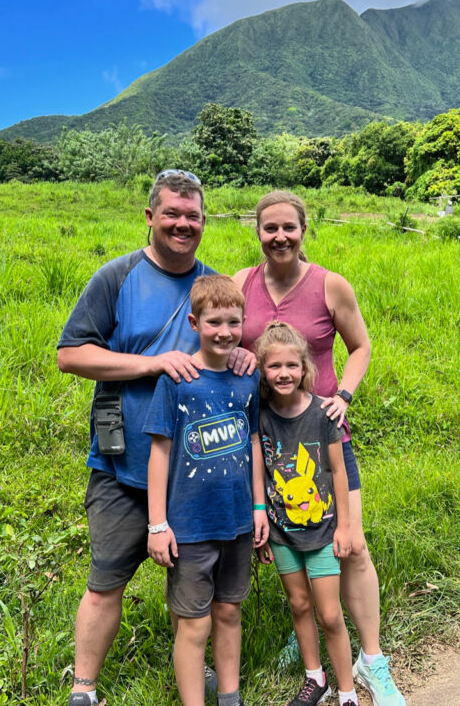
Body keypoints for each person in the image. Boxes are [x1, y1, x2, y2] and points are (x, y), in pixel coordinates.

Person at [57, 171, 252, 706]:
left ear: (204, 221)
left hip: (198, 478)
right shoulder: (116, 277)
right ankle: (84, 687)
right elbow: (70, 355)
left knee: (196, 588)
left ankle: (193, 668)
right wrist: (151, 364)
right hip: (124, 468)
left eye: (192, 216)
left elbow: (232, 348)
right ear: (150, 217)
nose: (182, 224)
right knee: (105, 580)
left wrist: (242, 353)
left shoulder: (214, 287)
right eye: (172, 214)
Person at [232, 191, 405, 706]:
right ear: (258, 232)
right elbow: (229, 345)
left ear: (303, 229)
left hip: (325, 436)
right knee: (290, 534)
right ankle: (304, 637)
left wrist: (343, 397)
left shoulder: (330, 285)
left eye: (289, 227)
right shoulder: (241, 284)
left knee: (350, 545)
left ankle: (372, 661)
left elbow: (361, 346)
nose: (279, 236)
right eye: (270, 228)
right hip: (268, 442)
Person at [143, 274, 269, 706]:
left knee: (229, 612)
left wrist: (258, 506)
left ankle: (229, 698)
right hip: (190, 527)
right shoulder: (177, 380)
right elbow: (159, 453)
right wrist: (157, 523)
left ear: (244, 322)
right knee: (193, 624)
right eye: (214, 322)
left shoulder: (247, 380)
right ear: (195, 322)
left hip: (236, 522)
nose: (224, 332)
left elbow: (253, 442)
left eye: (233, 322)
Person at [254, 321, 358, 706]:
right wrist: (260, 517)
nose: (284, 374)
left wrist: (344, 527)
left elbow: (338, 471)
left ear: (305, 368)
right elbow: (259, 469)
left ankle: (347, 690)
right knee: (299, 604)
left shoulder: (323, 413)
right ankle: (316, 677)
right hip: (282, 533)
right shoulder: (261, 415)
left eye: (291, 366)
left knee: (330, 615)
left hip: (322, 532)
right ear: (262, 370)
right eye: (274, 366)